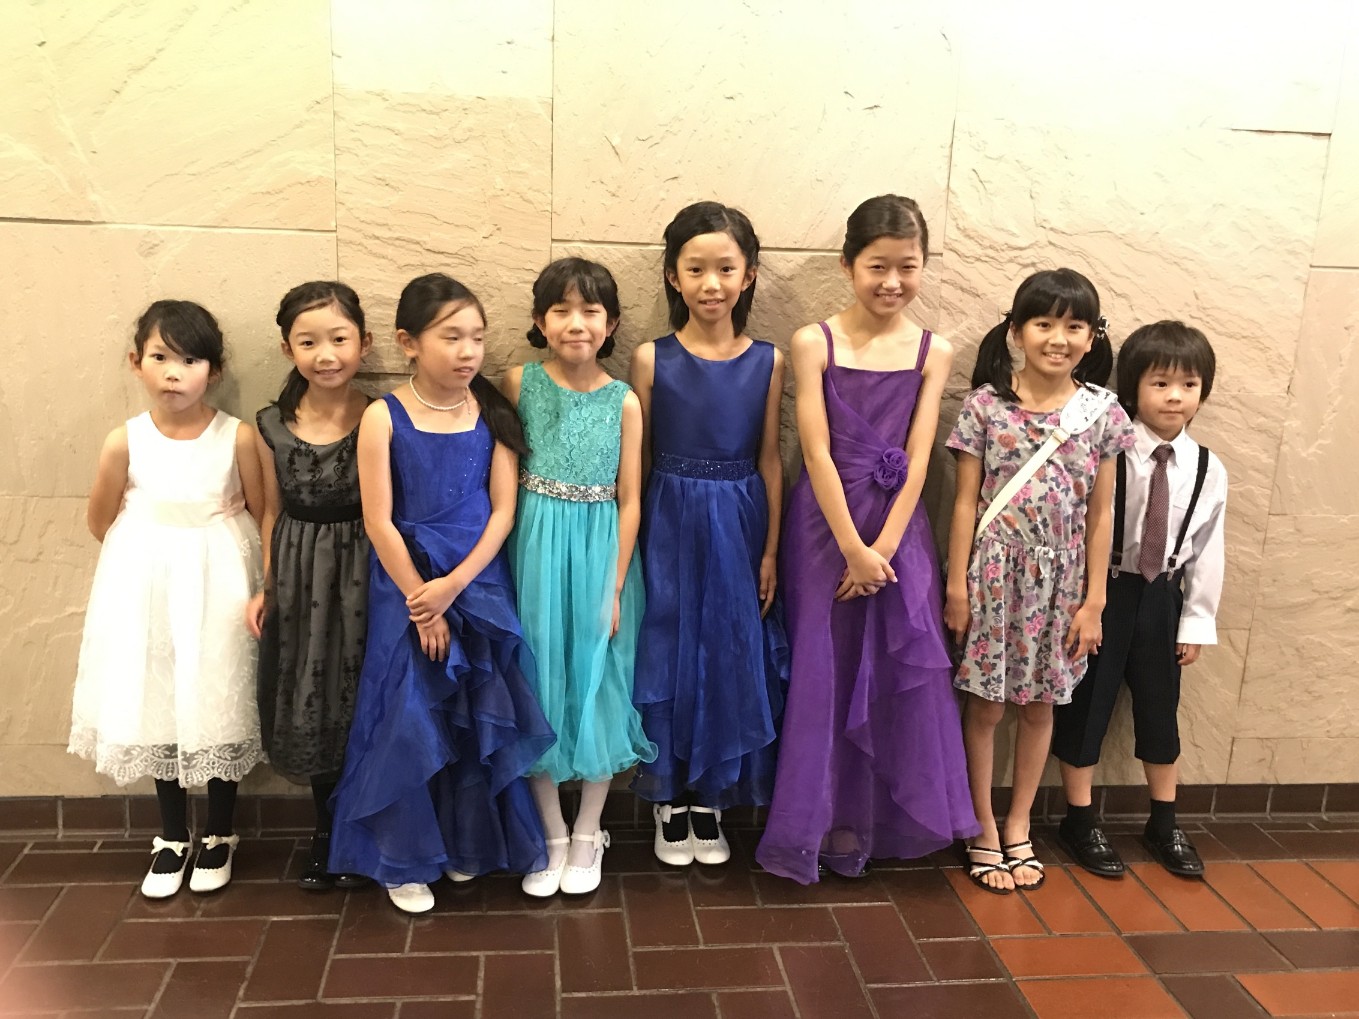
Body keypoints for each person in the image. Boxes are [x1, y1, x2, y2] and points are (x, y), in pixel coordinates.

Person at [756, 195, 977, 885]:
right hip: (824, 531)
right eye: (877, 265)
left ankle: (880, 823)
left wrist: (880, 548)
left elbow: (918, 454)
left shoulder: (933, 350)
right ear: (848, 265)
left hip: (898, 532)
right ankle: (815, 825)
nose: (892, 281)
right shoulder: (812, 341)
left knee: (892, 673)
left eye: (907, 266)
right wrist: (853, 547)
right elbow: (815, 451)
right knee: (824, 672)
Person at [328, 273, 555, 914]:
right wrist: (421, 601)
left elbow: (503, 512)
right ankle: (402, 858)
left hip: (477, 583)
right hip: (406, 588)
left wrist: (454, 587)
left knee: (473, 713)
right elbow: (378, 520)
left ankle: (463, 844)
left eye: (477, 337)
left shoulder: (493, 412)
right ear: (408, 342)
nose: (467, 352)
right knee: (408, 713)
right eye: (451, 337)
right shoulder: (383, 416)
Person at [945, 268, 1134, 894]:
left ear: (1092, 336)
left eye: (1074, 325)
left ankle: (1019, 821)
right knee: (986, 705)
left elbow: (1102, 513)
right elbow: (964, 502)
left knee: (1040, 705)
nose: (1058, 338)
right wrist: (957, 586)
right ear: (1016, 331)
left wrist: (1095, 601)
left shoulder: (1102, 412)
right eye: (1044, 323)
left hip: (1063, 583)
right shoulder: (985, 405)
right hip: (994, 576)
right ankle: (980, 825)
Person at [69, 300, 264, 898]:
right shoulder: (124, 441)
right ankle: (173, 835)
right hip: (146, 585)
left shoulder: (238, 436)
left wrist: (258, 582)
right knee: (159, 696)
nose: (174, 373)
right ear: (137, 363)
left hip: (220, 581)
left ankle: (220, 832)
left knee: (216, 692)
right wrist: (151, 553)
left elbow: (263, 511)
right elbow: (100, 520)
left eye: (190, 360)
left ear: (214, 370)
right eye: (160, 357)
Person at [629, 201, 789, 867]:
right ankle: (668, 794)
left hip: (739, 518)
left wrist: (771, 549)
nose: (711, 284)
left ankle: (711, 794)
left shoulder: (769, 361)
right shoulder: (650, 358)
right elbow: (636, 459)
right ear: (673, 275)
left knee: (726, 646)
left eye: (725, 268)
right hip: (667, 513)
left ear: (748, 275)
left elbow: (770, 458)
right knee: (667, 644)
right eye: (695, 269)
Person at [504, 257, 657, 897]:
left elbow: (631, 498)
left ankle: (590, 828)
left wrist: (615, 585)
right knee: (537, 677)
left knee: (601, 679)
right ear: (540, 320)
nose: (576, 323)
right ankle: (551, 832)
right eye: (561, 310)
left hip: (601, 551)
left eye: (591, 311)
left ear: (611, 323)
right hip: (534, 546)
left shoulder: (625, 401)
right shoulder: (519, 382)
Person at [1053, 321, 1225, 879]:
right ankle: (1079, 819)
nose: (1175, 397)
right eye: (1160, 383)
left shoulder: (1207, 468)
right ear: (1132, 387)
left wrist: (1195, 623)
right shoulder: (1111, 450)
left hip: (1161, 598)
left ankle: (1164, 821)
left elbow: (1208, 551)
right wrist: (1082, 601)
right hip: (1103, 592)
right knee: (1086, 706)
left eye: (1189, 385)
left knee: (1159, 707)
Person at [247, 281, 373, 891]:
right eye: (308, 342)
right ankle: (325, 831)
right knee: (311, 694)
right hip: (300, 575)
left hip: (366, 568)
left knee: (361, 694)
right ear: (287, 348)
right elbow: (270, 510)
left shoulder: (381, 415)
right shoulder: (269, 424)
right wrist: (267, 584)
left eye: (339, 339)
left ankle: (364, 828)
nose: (326, 355)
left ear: (364, 343)